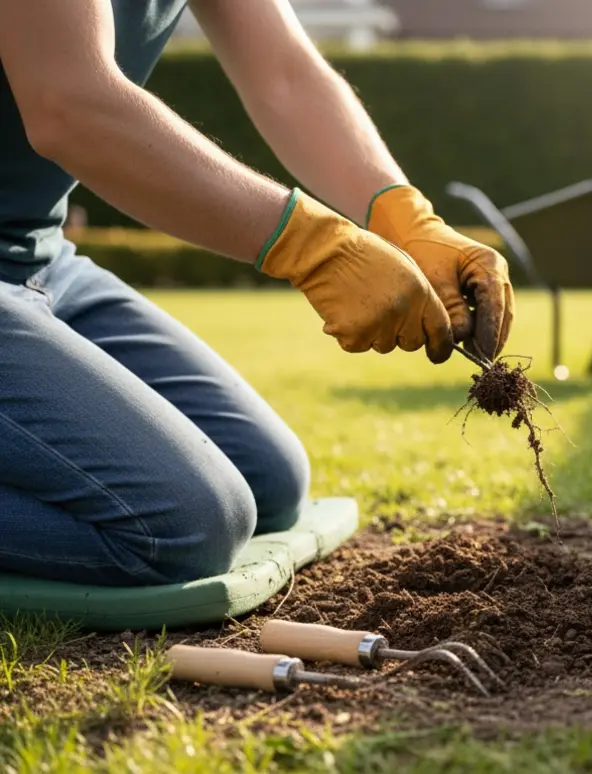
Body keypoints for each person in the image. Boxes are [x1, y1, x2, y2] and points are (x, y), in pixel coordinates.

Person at [0, 1, 515, 587]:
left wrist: (406, 218)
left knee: (267, 480)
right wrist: (311, 244)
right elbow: (69, 105)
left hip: (37, 257)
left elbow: (286, 75)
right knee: (186, 525)